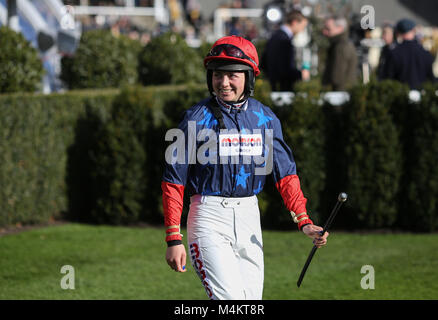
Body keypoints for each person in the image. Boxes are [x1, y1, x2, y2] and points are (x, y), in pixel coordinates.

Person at [162, 35, 329, 300]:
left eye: (232, 75)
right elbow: (173, 181)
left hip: (250, 218)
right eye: (217, 74)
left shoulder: (266, 118)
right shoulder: (194, 118)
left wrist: (304, 221)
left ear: (249, 77)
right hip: (208, 219)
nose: (223, 82)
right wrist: (173, 237)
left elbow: (285, 174)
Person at [261, 10, 310, 91]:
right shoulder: (283, 40)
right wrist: (300, 74)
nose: (302, 30)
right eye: (303, 26)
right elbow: (284, 68)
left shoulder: (277, 36)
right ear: (294, 22)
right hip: (281, 87)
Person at [382, 18, 436, 90]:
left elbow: (387, 79)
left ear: (398, 32)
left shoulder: (393, 53)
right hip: (422, 96)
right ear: (414, 31)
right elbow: (431, 79)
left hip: (399, 96)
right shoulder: (425, 53)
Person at [322, 15, 358, 91]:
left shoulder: (341, 46)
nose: (324, 32)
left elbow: (337, 77)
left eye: (328, 29)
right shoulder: (337, 44)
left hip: (340, 94)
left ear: (340, 28)